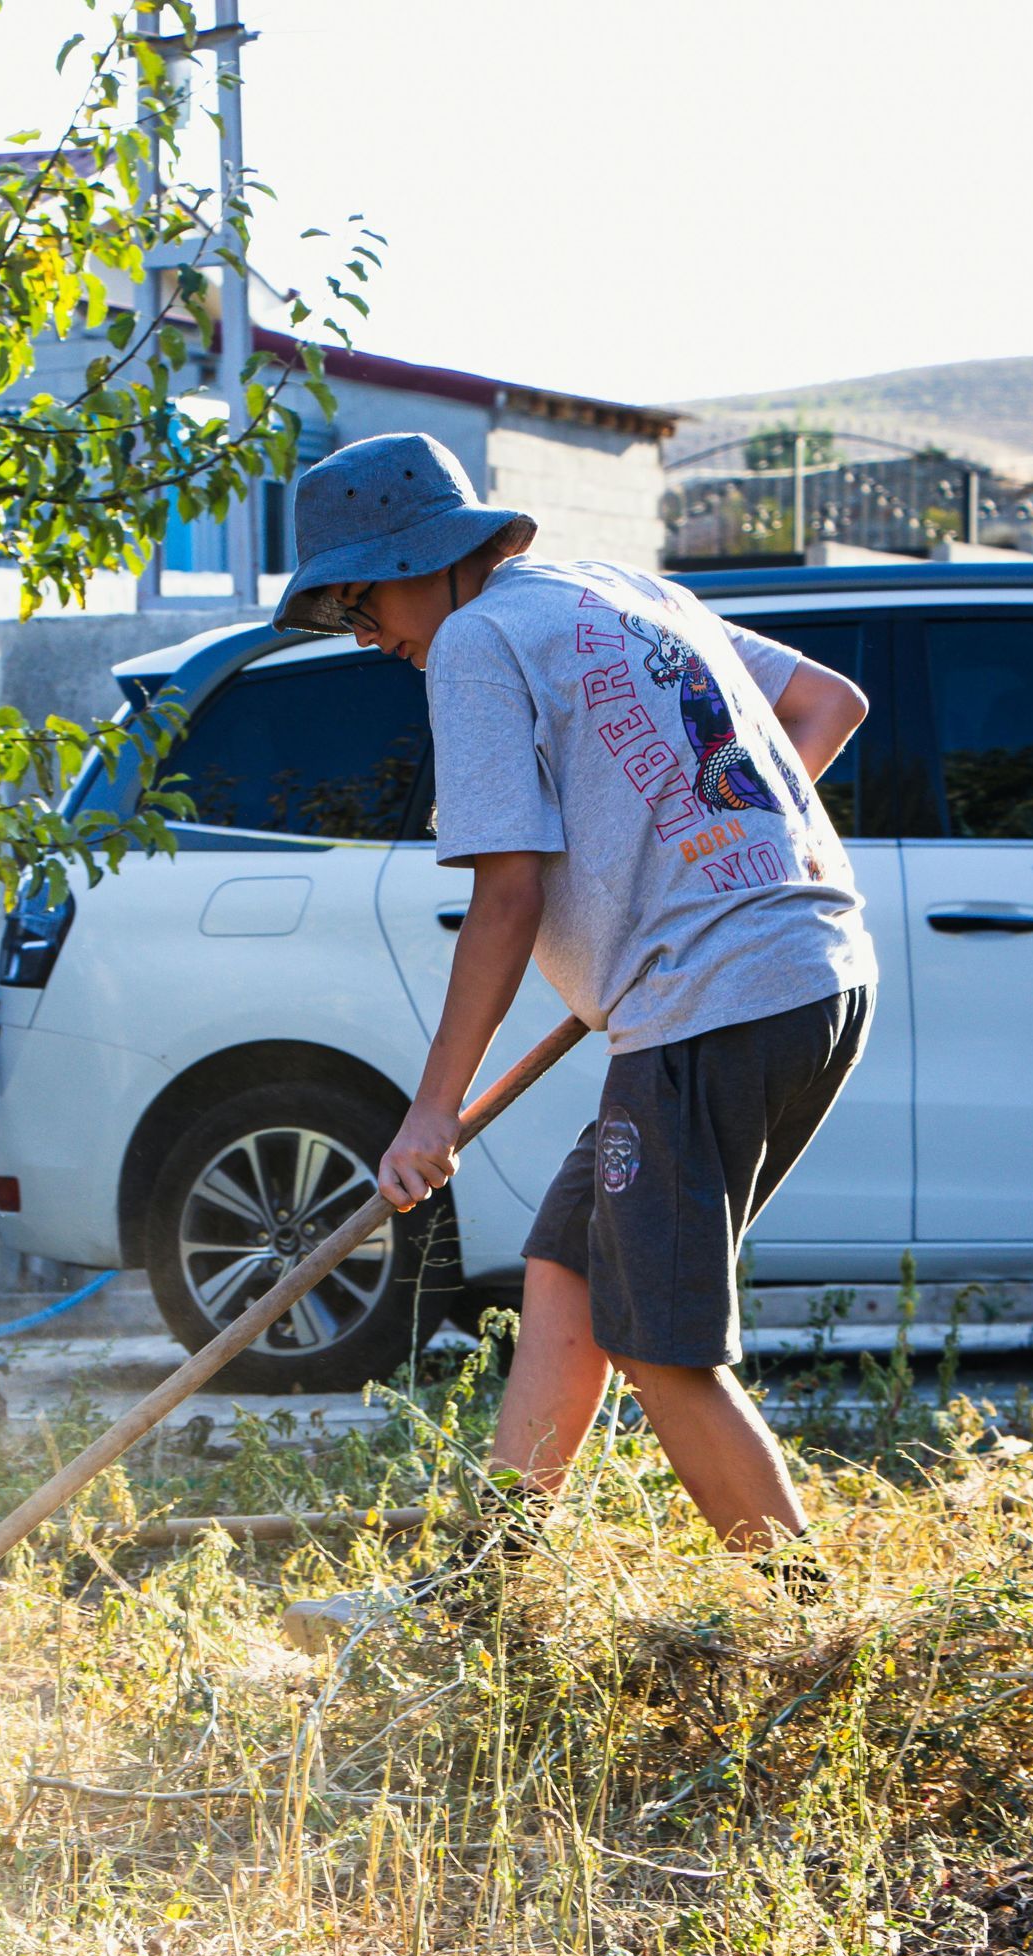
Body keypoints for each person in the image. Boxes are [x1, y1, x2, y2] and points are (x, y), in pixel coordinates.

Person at [269, 434, 871, 1654]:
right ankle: (486, 1597)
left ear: (426, 563)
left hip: (717, 1003)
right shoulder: (626, 594)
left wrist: (430, 1112)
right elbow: (824, 706)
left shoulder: (480, 642)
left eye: (364, 598)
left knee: (659, 1347)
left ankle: (822, 1638)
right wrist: (704, 867)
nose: (366, 632)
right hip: (800, 977)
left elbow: (507, 896)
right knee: (568, 1281)